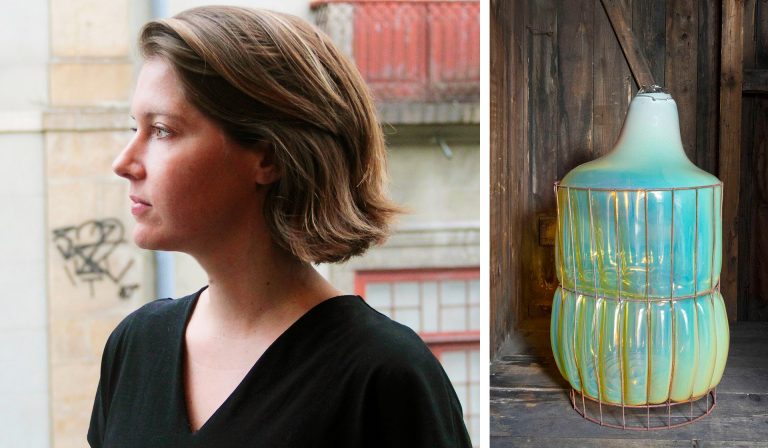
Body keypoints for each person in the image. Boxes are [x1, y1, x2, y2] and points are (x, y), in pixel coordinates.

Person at [87, 5, 472, 447]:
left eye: (161, 130)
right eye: (134, 126)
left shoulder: (383, 375)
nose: (124, 163)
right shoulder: (135, 346)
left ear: (267, 156)